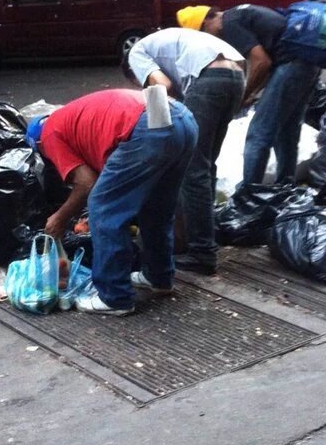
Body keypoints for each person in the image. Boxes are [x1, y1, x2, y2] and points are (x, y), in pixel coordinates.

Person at [26, 89, 198, 314]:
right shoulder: (70, 117)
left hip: (146, 127)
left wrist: (60, 217)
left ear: (37, 142)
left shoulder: (48, 134)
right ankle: (158, 277)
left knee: (104, 208)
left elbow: (87, 183)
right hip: (180, 117)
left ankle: (114, 296)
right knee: (157, 206)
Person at [126, 27, 246, 275]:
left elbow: (163, 86)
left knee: (192, 169)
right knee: (206, 165)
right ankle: (205, 238)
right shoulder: (160, 45)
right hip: (236, 77)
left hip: (209, 77)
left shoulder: (136, 53)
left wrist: (159, 134)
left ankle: (201, 251)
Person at [177, 5, 320, 185]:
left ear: (206, 22)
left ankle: (249, 196)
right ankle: (285, 187)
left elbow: (261, 62)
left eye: (204, 33)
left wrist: (243, 95)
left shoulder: (229, 24)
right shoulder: (240, 14)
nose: (211, 39)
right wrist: (253, 93)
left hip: (291, 65)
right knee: (287, 130)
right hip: (308, 64)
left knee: (258, 133)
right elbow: (267, 61)